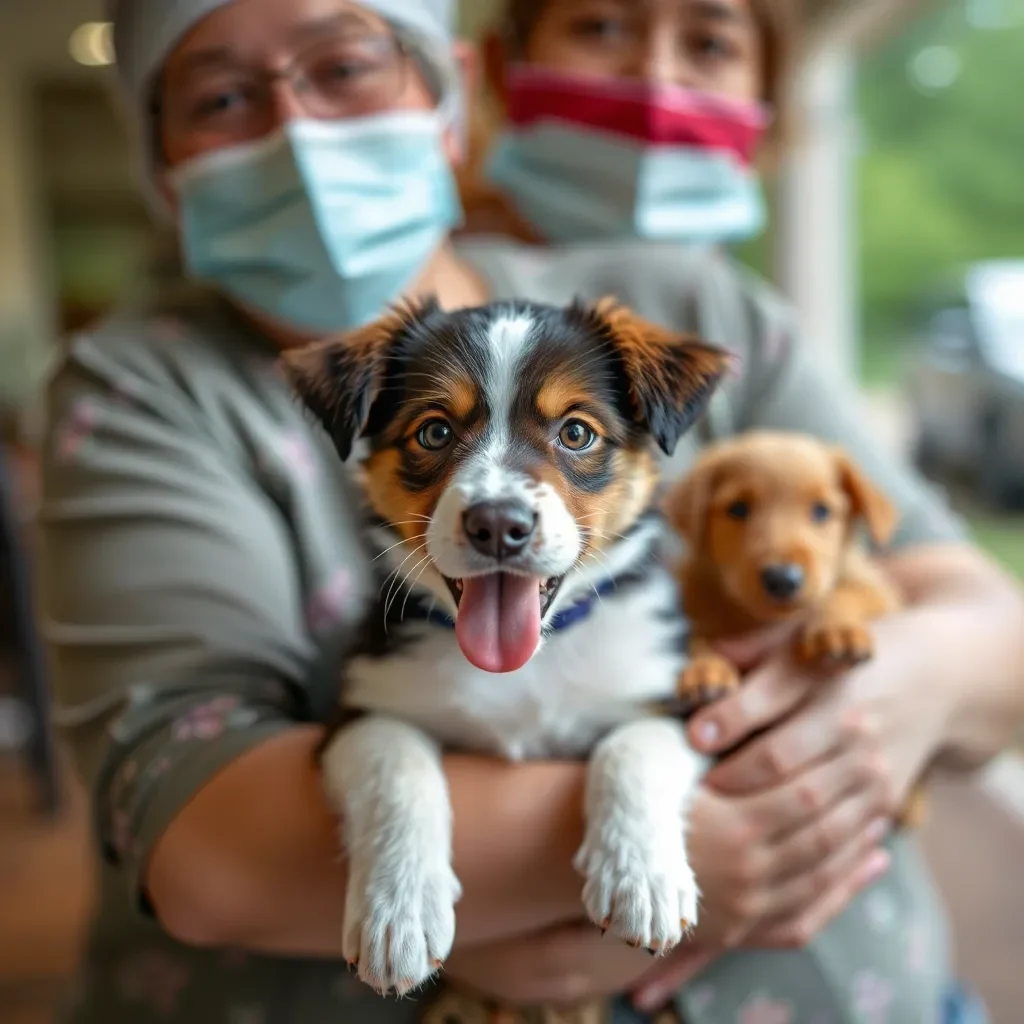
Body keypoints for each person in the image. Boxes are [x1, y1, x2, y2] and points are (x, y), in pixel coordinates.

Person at [38, 1, 1023, 1023]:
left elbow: (992, 637)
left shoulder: (693, 306)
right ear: (156, 164)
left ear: (450, 100)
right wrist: (675, 853)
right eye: (224, 96)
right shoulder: (142, 390)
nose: (298, 128)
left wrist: (882, 703)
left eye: (345, 65)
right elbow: (202, 847)